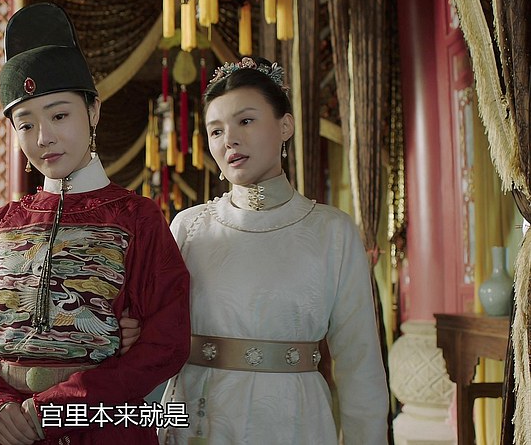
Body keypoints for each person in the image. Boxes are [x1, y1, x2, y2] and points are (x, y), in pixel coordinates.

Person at [0, 3, 191, 445]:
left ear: (93, 111)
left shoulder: (137, 218)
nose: (44, 137)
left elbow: (166, 342)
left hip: (99, 423)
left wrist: (54, 409)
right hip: (4, 427)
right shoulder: (4, 222)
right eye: (26, 124)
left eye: (59, 115)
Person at [158, 57, 389, 444]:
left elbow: (359, 361)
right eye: (216, 130)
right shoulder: (189, 227)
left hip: (294, 420)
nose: (229, 140)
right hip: (198, 418)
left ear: (285, 126)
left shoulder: (332, 232)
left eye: (246, 121)